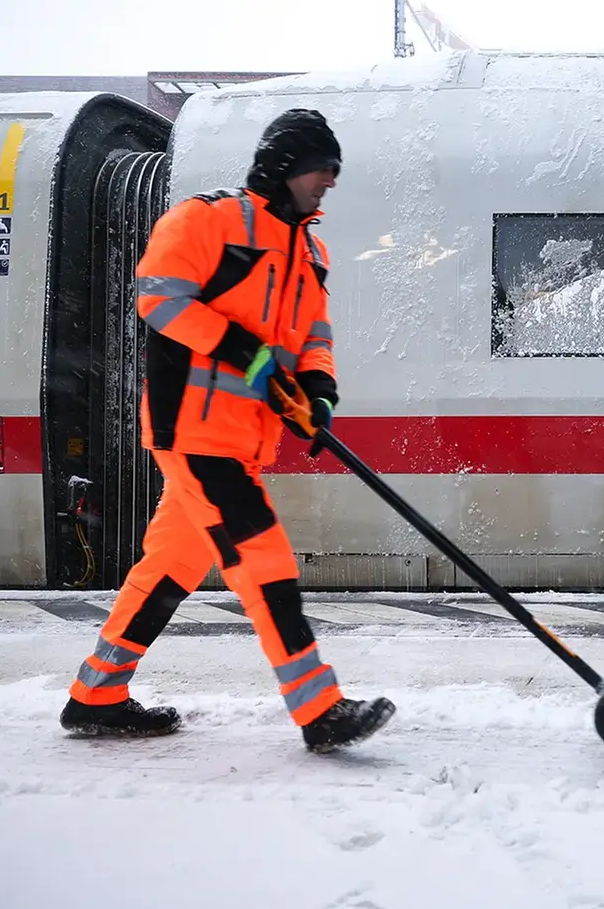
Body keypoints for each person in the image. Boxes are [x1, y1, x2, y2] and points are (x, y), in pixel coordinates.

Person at [60, 108, 395, 753]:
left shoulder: (309, 250)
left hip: (242, 436)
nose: (328, 183)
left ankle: (96, 694)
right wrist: (243, 349)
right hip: (191, 428)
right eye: (319, 171)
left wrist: (319, 389)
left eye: (333, 172)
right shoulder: (208, 220)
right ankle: (318, 708)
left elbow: (312, 337)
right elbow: (159, 299)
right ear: (283, 168)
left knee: (172, 564)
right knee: (263, 554)